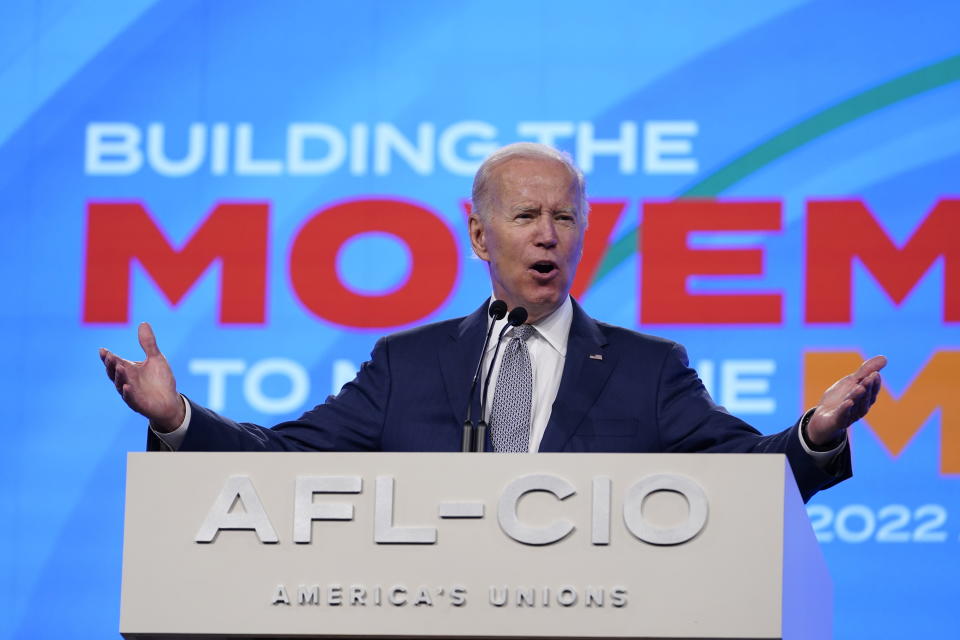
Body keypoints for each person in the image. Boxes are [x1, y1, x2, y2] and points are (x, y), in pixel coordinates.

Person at [99, 143, 884, 502]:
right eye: (526, 216)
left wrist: (814, 430)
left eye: (565, 217)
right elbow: (280, 457)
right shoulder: (407, 363)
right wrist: (176, 419)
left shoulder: (648, 368)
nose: (549, 233)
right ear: (479, 235)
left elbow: (748, 472)